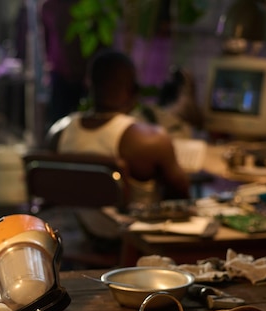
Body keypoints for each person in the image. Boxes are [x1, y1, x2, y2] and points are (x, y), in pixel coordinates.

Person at [55, 49, 191, 205]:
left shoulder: (58, 132)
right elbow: (181, 196)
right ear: (133, 90)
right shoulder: (151, 140)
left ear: (89, 85)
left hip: (68, 227)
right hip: (131, 228)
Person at [41, 0, 89, 128]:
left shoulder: (84, 5)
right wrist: (48, 68)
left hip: (81, 73)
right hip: (59, 72)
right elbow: (47, 40)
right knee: (58, 122)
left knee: (82, 122)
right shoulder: (48, 7)